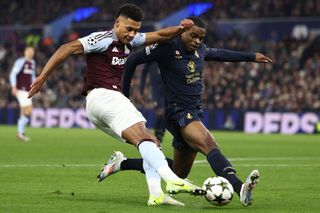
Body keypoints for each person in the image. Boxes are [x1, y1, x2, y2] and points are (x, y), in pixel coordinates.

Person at [27, 4, 203, 207]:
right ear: (117, 23)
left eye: (136, 30)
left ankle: (156, 195)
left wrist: (180, 29)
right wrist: (42, 77)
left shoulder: (132, 40)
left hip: (98, 108)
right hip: (104, 96)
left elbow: (160, 35)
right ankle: (174, 180)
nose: (132, 34)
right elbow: (66, 48)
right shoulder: (102, 39)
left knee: (150, 143)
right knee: (146, 138)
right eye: (128, 29)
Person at [101, 16, 272, 207]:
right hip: (177, 112)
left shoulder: (200, 49)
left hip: (194, 112)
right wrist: (124, 94)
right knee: (208, 143)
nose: (197, 42)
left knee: (177, 171)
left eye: (201, 38)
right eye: (193, 37)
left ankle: (121, 163)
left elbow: (221, 54)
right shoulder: (165, 47)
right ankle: (240, 187)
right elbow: (133, 59)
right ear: (183, 32)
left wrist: (251, 57)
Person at [10, 46, 36, 142]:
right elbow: (13, 74)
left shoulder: (33, 63)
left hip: (28, 90)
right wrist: (13, 86)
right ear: (25, 52)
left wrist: (35, 87)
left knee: (24, 111)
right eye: (29, 51)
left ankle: (20, 133)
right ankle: (20, 132)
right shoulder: (20, 61)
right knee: (28, 111)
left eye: (32, 51)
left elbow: (32, 76)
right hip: (21, 89)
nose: (31, 53)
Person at [139, 62, 166, 143]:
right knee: (160, 112)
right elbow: (144, 72)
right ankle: (158, 138)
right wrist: (141, 89)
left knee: (166, 114)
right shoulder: (152, 57)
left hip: (168, 91)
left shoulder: (168, 56)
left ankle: (160, 136)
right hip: (156, 91)